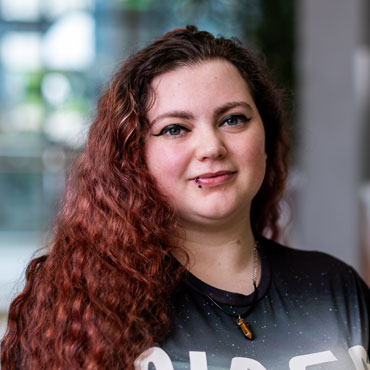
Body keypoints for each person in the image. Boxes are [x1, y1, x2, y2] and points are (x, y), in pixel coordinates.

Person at [1, 26, 369, 370]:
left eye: (233, 120)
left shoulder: (333, 286)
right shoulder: (78, 302)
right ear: (133, 157)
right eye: (175, 129)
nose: (211, 147)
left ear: (266, 140)